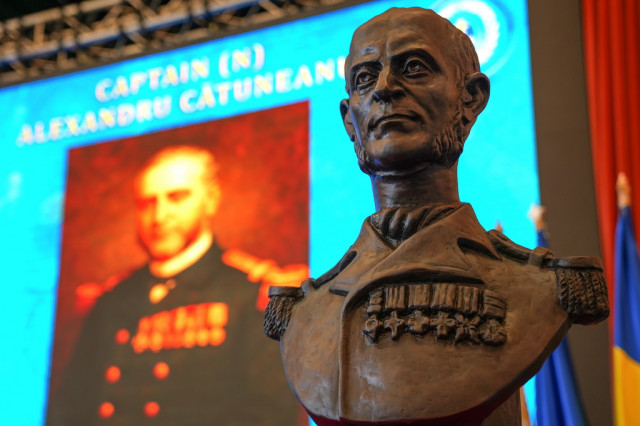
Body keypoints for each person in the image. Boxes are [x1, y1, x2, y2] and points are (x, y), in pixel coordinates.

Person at [265, 8, 608, 426]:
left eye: (414, 68)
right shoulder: (304, 311)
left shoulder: (543, 287)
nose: (385, 88)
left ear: (470, 98)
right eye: (365, 78)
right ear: (349, 121)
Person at [48, 146, 300, 425]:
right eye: (147, 203)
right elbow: (69, 409)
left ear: (211, 200)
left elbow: (271, 414)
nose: (159, 217)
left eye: (177, 198)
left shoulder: (252, 294)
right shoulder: (111, 299)